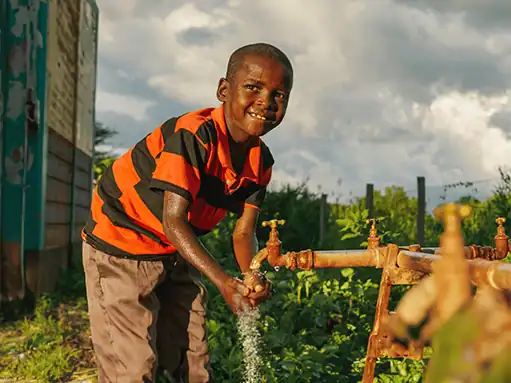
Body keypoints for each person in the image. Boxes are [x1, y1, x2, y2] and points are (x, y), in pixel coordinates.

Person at [81, 42, 294, 383]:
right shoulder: (194, 136)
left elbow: (244, 232)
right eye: (253, 87)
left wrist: (249, 275)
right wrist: (223, 281)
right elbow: (173, 219)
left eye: (279, 94)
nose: (266, 102)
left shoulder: (259, 162)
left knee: (192, 361)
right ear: (224, 90)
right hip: (122, 242)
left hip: (175, 249)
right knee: (132, 368)